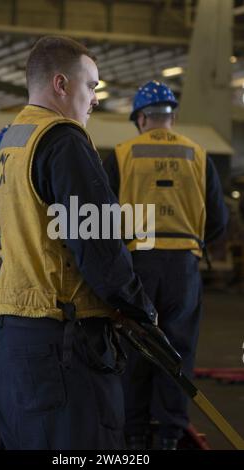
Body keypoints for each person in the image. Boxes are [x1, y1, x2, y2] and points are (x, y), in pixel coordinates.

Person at [0, 37, 169, 450]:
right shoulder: (62, 141)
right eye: (92, 86)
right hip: (61, 348)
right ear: (62, 84)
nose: (95, 100)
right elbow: (98, 245)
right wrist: (142, 310)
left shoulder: (11, 144)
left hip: (8, 343)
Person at [104, 80, 229, 449]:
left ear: (141, 117)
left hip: (137, 265)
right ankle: (170, 436)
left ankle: (134, 433)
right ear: (170, 116)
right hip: (183, 267)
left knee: (136, 346)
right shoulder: (198, 154)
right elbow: (219, 220)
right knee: (178, 350)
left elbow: (106, 214)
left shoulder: (124, 153)